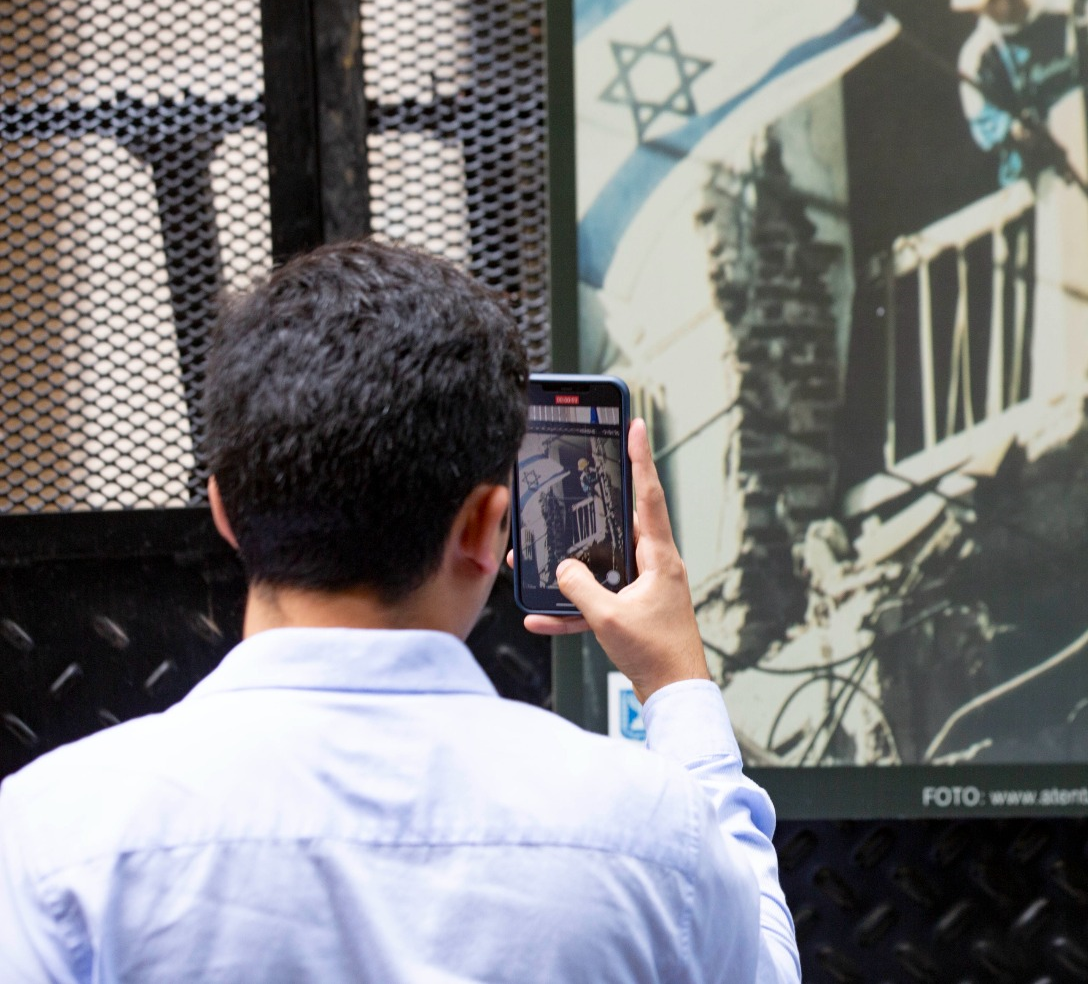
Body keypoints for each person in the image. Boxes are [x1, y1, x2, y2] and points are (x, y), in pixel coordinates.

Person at [0, 240, 800, 983]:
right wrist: (679, 686)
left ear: (223, 512)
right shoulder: (656, 832)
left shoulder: (51, 838)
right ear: (487, 528)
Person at [950, 0, 1080, 187]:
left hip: (1085, 148)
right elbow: (984, 122)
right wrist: (1011, 130)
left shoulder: (1065, 13)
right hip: (1035, 181)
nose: (978, 10)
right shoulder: (977, 57)